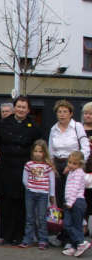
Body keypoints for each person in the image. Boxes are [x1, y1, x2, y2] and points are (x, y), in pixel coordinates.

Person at [0, 96, 41, 245]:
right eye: (18, 107)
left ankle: (20, 235)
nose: (21, 110)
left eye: (24, 107)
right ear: (14, 108)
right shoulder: (3, 123)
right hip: (6, 167)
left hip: (24, 168)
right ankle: (6, 235)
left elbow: (36, 145)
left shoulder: (33, 126)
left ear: (28, 110)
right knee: (6, 202)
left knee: (22, 204)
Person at [49, 99, 90, 247]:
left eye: (65, 111)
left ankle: (73, 239)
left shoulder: (77, 127)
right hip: (58, 166)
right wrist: (52, 166)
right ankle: (62, 234)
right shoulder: (53, 129)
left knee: (71, 202)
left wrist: (74, 165)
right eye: (59, 112)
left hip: (72, 165)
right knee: (59, 201)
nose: (62, 114)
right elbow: (51, 150)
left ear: (71, 113)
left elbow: (85, 148)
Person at [19, 140, 56, 250]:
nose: (37, 153)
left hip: (43, 194)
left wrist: (52, 195)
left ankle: (43, 240)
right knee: (30, 217)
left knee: (41, 218)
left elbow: (52, 181)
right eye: (35, 151)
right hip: (30, 193)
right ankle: (27, 239)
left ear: (44, 152)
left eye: (40, 151)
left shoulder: (48, 166)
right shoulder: (29, 164)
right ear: (32, 152)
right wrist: (30, 187)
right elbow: (25, 179)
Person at [61, 151, 91, 257]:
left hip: (76, 201)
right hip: (72, 201)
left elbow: (75, 188)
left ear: (80, 164)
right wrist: (67, 170)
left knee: (71, 224)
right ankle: (75, 246)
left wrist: (70, 202)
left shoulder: (79, 173)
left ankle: (80, 242)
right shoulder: (73, 171)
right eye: (69, 162)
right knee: (70, 224)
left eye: (74, 163)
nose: (71, 165)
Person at [81, 102, 92, 234]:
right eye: (86, 113)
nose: (88, 116)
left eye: (90, 114)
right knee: (82, 199)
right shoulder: (78, 129)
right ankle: (83, 226)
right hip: (81, 169)